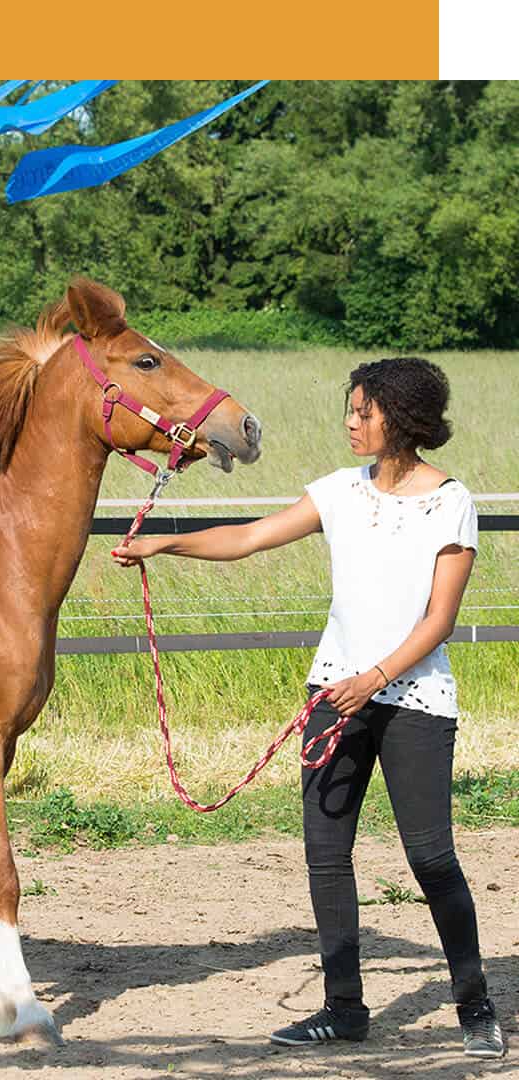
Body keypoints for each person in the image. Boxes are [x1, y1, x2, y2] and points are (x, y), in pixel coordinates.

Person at [112, 357, 505, 1059]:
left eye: (364, 412)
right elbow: (250, 537)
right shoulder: (337, 493)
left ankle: (475, 1005)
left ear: (402, 418)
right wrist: (167, 544)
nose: (351, 423)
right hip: (332, 694)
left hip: (414, 699)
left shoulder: (451, 501)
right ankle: (343, 1009)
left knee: (431, 858)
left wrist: (376, 677)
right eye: (350, 410)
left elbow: (439, 620)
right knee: (327, 857)